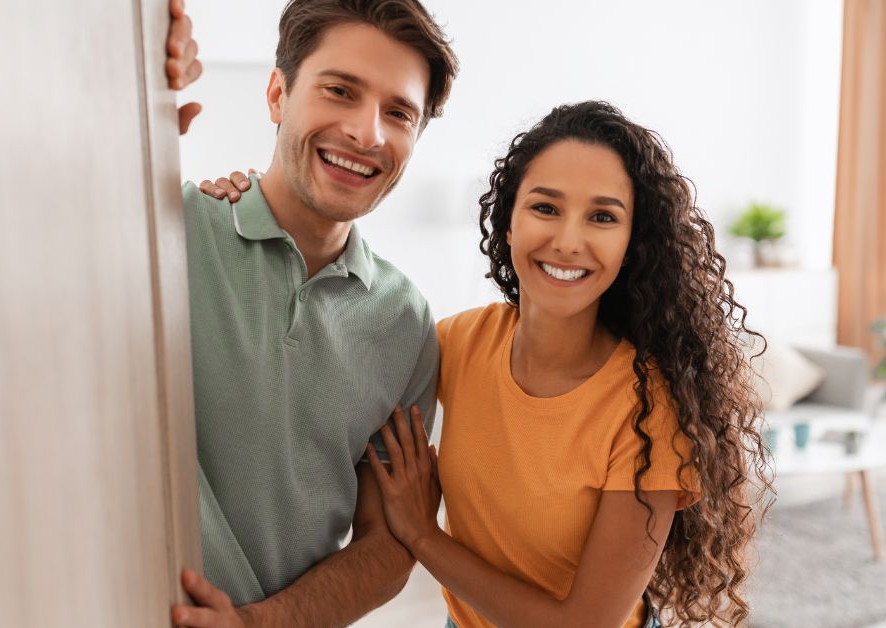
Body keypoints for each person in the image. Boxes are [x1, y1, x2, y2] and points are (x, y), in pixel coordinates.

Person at [203, 102, 771, 626]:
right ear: (509, 222)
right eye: (545, 208)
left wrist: (424, 538)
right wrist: (250, 202)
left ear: (631, 245)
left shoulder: (648, 412)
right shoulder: (460, 343)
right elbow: (342, 360)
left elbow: (582, 625)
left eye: (602, 217)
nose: (568, 241)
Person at [169, 1, 459, 626]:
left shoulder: (406, 324)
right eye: (340, 91)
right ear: (278, 94)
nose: (367, 133)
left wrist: (256, 624)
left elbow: (389, 544)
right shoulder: (170, 230)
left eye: (399, 113)